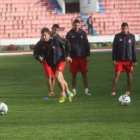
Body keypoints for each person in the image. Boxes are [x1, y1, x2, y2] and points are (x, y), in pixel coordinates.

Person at [34, 27, 74, 103]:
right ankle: (69, 93)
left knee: (58, 77)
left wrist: (68, 55)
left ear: (49, 34)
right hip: (52, 63)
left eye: (45, 35)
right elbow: (35, 52)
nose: (44, 37)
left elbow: (67, 42)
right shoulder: (41, 43)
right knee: (61, 79)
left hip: (61, 60)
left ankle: (63, 94)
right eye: (42, 35)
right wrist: (39, 57)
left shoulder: (56, 39)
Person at [111, 22, 137, 96]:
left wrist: (134, 60)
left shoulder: (132, 37)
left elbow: (134, 49)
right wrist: (114, 59)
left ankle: (128, 90)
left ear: (128, 28)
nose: (124, 30)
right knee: (117, 74)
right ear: (121, 29)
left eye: (126, 29)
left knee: (129, 75)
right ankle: (113, 91)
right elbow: (114, 49)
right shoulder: (117, 36)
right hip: (119, 60)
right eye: (123, 29)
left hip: (129, 60)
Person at [66, 19, 91, 96]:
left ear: (80, 25)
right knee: (74, 74)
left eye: (78, 25)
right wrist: (68, 55)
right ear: (73, 25)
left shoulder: (83, 33)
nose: (76, 27)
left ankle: (86, 90)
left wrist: (87, 55)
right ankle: (73, 90)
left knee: (84, 74)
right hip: (73, 58)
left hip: (82, 57)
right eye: (75, 25)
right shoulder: (69, 34)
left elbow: (86, 44)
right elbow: (67, 46)